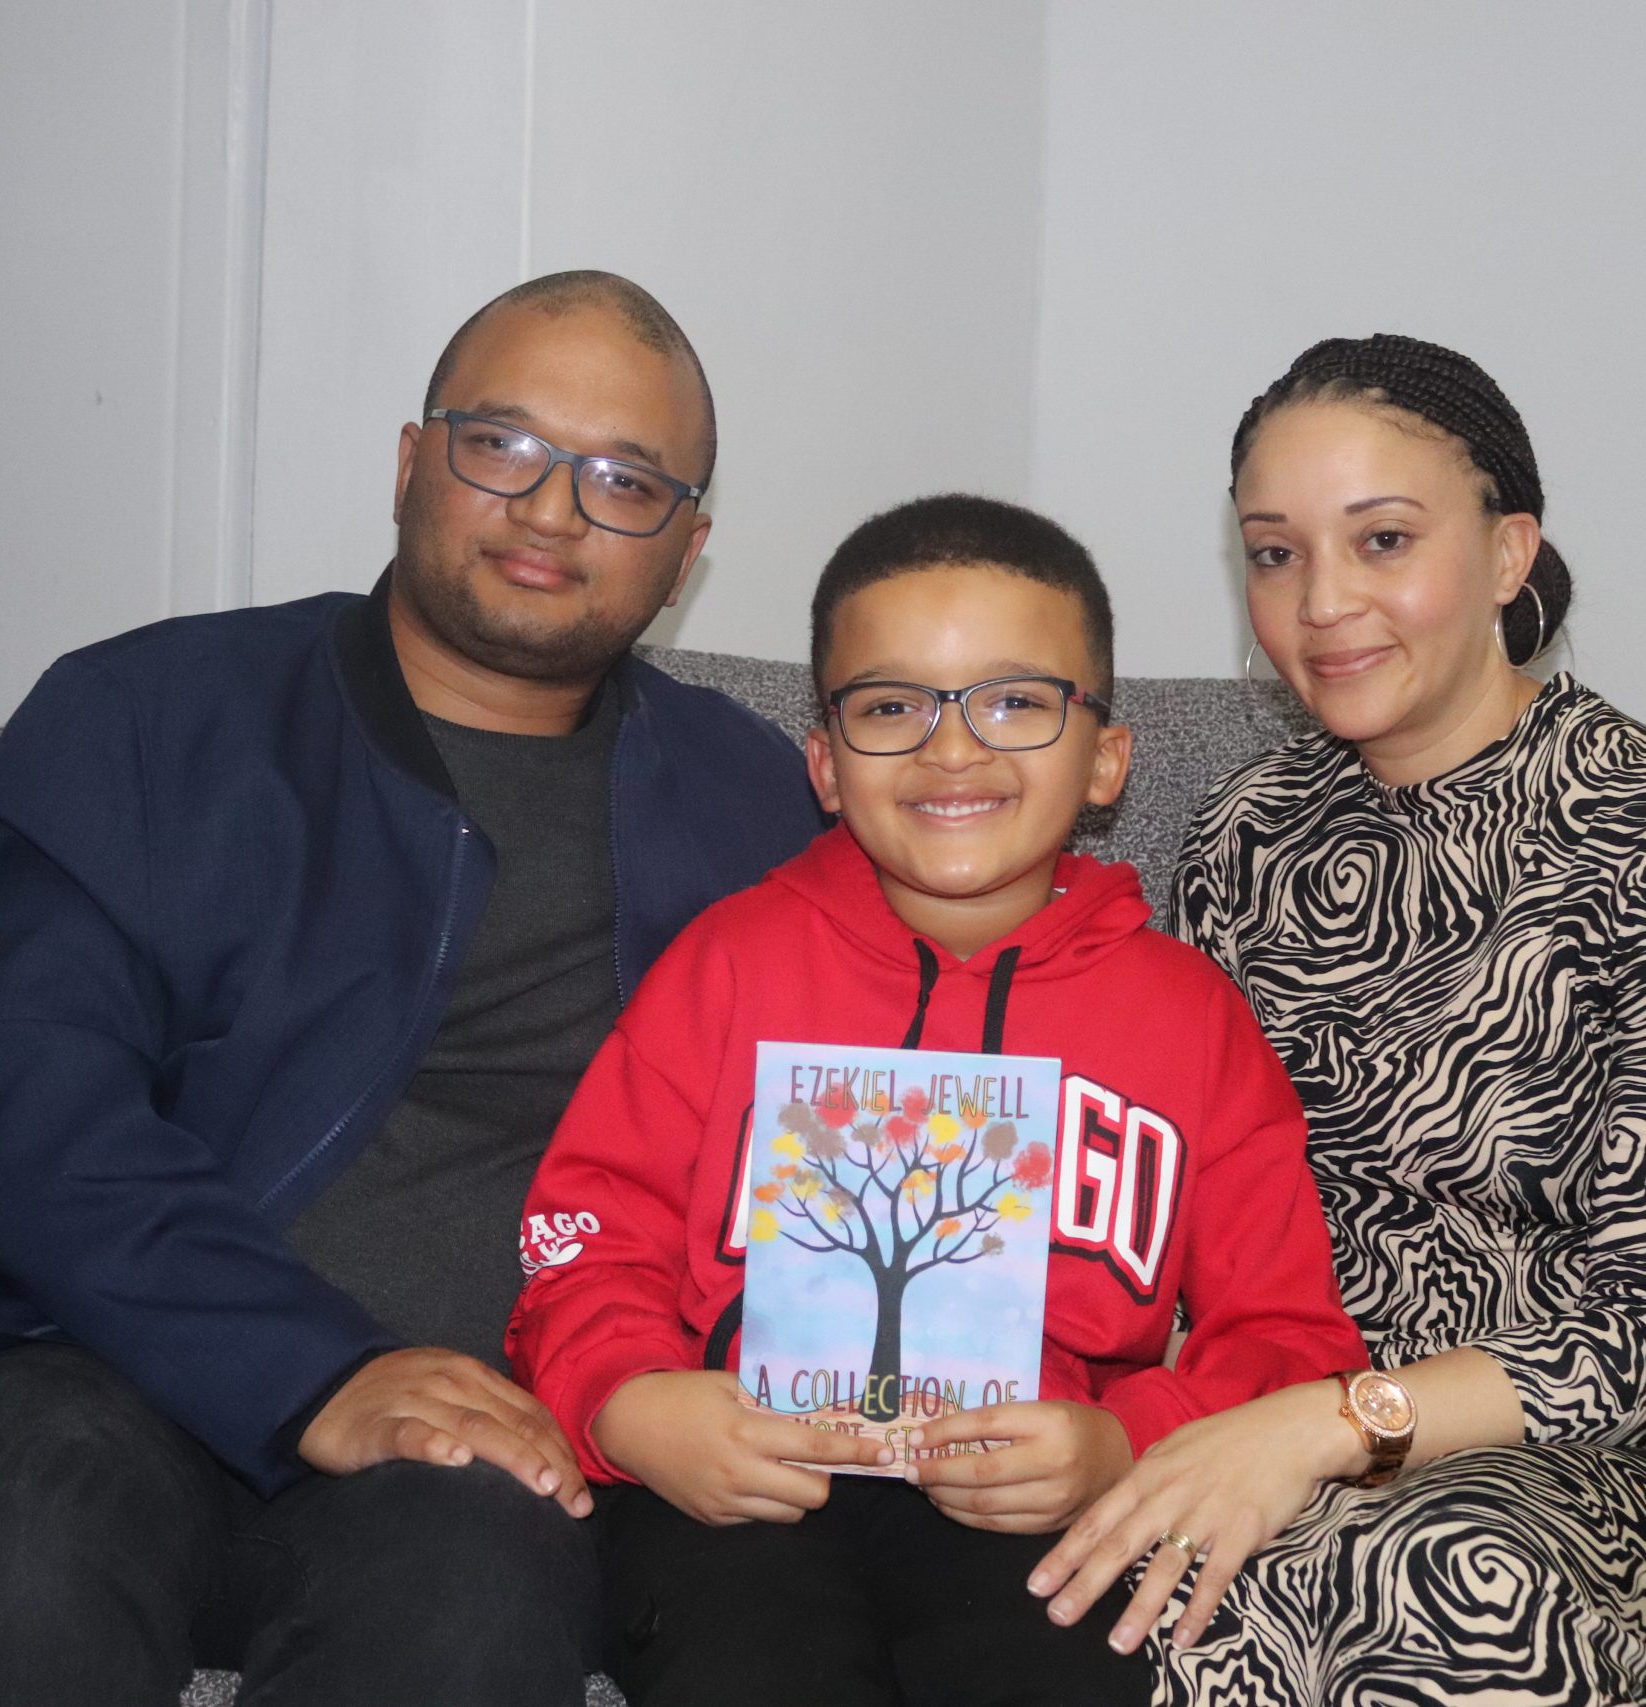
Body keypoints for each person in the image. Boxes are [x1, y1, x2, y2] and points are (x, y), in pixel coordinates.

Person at [0, 270, 827, 1707]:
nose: (550, 510)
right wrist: (313, 1369)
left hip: (483, 1435)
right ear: (413, 461)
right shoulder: (146, 715)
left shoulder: (759, 802)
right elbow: (21, 1112)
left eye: (624, 481)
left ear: (688, 547)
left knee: (474, 1598)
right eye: (500, 445)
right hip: (82, 1364)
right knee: (22, 1545)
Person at [1028, 335, 1646, 1704]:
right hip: (1302, 1421)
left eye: (1382, 539)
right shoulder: (1242, 838)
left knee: (1436, 1570)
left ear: (1505, 553)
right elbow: (1190, 1219)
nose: (1322, 601)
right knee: (1150, 1598)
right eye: (1275, 551)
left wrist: (1326, 1426)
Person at [506, 493, 1372, 1707]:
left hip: (1033, 1508)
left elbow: (1289, 1337)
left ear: (1108, 757)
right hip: (738, 1492)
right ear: (823, 761)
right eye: (890, 706)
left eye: (1016, 701)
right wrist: (632, 1403)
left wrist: (1123, 1441)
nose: (951, 750)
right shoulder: (729, 964)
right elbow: (587, 1238)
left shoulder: (1190, 1021)